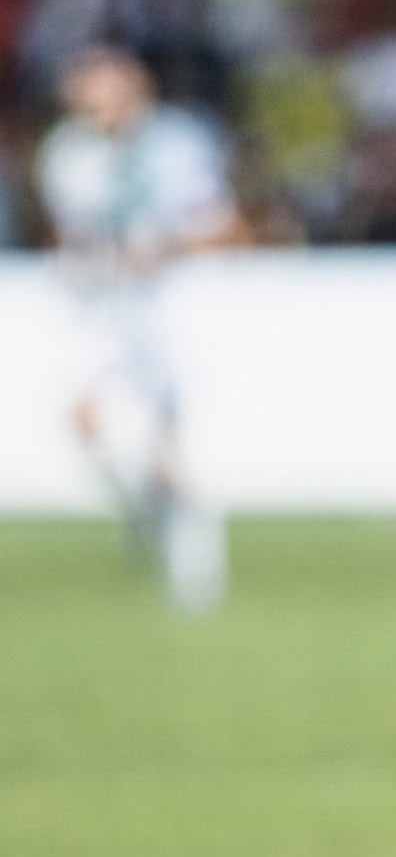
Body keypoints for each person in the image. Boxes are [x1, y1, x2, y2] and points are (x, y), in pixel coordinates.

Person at [35, 44, 244, 612]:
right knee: (82, 419)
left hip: (168, 302)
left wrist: (162, 249)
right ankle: (146, 509)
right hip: (101, 305)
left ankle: (195, 569)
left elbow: (223, 225)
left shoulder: (178, 144)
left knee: (172, 437)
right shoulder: (65, 154)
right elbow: (68, 231)